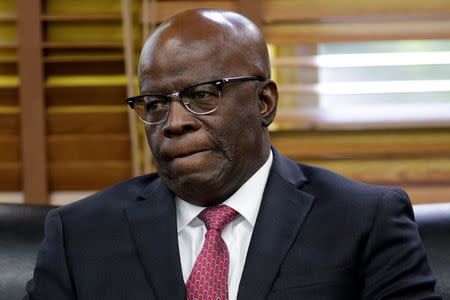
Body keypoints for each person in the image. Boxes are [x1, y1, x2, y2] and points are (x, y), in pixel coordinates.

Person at [25, 9, 440, 300]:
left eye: (201, 95)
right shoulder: (80, 234)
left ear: (264, 102)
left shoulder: (365, 222)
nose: (173, 122)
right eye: (154, 103)